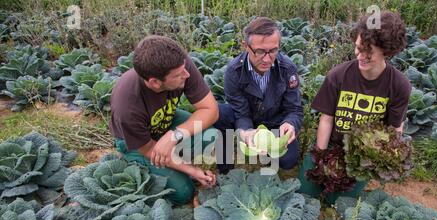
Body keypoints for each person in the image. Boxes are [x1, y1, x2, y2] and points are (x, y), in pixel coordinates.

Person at [298, 11, 412, 203]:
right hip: (332, 145)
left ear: (387, 51)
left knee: (340, 203)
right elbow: (326, 119)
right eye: (358, 48)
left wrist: (380, 158)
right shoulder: (338, 75)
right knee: (305, 194)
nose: (360, 55)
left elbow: (394, 129)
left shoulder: (399, 85)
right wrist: (320, 156)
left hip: (361, 157)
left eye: (369, 52)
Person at [109, 35, 219, 205]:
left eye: (184, 68)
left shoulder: (178, 64)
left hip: (167, 121)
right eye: (178, 75)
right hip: (138, 144)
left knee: (211, 135)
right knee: (183, 192)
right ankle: (131, 162)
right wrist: (191, 170)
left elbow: (210, 110)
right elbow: (149, 148)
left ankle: (174, 155)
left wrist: (175, 135)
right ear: (155, 83)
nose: (187, 74)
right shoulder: (127, 105)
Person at [214, 17, 303, 173]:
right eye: (260, 51)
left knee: (288, 161)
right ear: (246, 47)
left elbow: (294, 109)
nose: (267, 59)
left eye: (273, 50)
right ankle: (225, 170)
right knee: (221, 113)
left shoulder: (287, 68)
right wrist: (246, 132)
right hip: (248, 120)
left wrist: (290, 123)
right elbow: (240, 112)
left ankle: (268, 156)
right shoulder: (233, 71)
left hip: (275, 123)